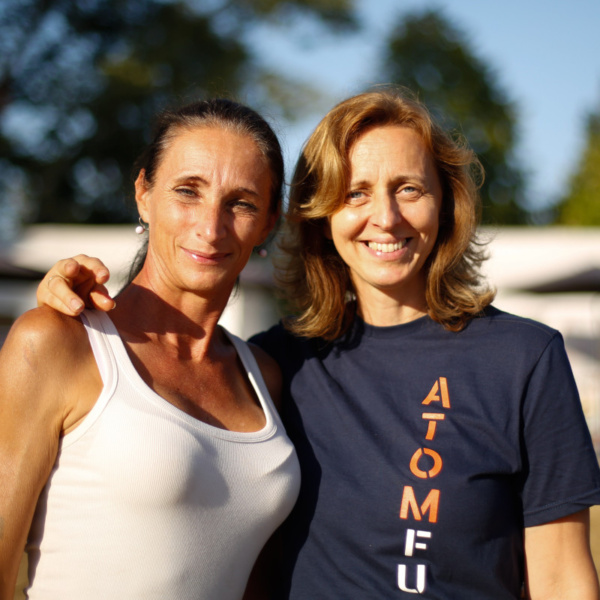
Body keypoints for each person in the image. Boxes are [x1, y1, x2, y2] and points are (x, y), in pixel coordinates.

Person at [35, 88, 600, 599]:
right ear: (321, 214)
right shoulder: (275, 365)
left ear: (445, 203)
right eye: (355, 193)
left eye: (409, 188)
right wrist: (72, 306)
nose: (385, 217)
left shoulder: (522, 359)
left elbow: (562, 580)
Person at [0, 98, 300, 600]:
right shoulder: (57, 343)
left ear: (269, 222)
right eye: (188, 191)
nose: (211, 227)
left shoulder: (265, 377)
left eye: (242, 203)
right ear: (144, 194)